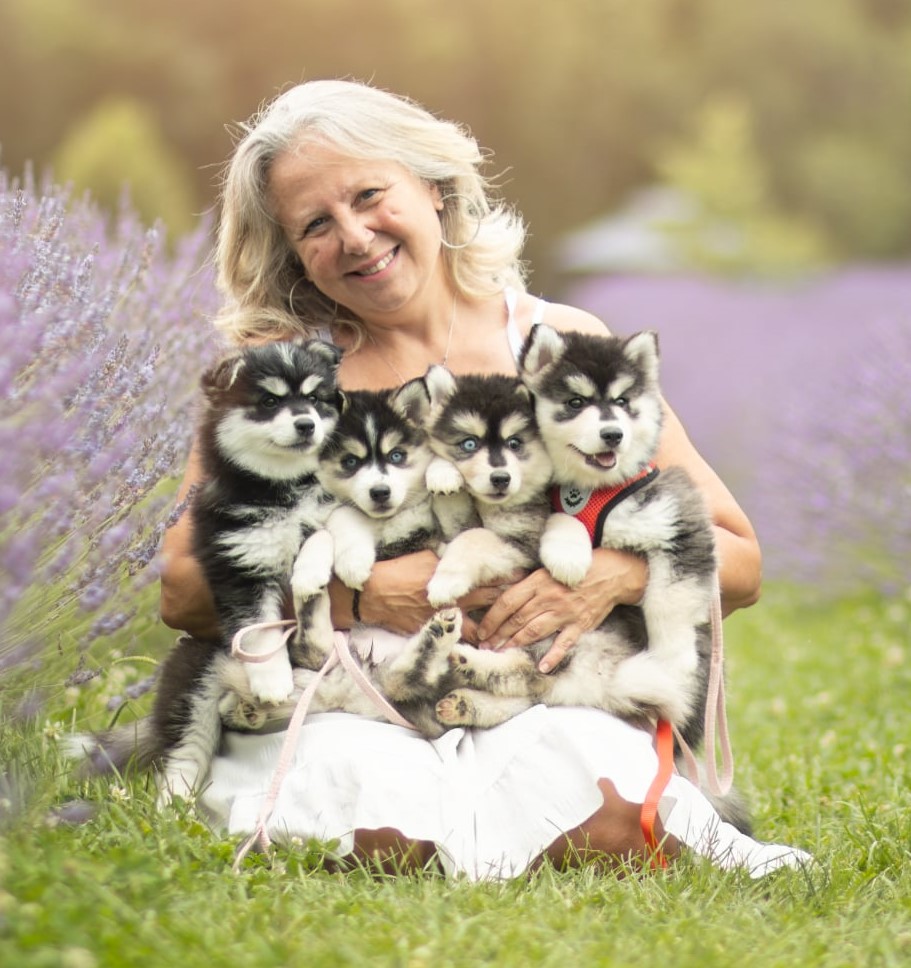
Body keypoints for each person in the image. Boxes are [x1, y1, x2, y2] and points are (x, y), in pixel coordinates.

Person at [159, 79, 809, 879]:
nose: (355, 237)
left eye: (370, 196)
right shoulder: (283, 380)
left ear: (433, 188)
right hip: (352, 694)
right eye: (316, 225)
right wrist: (362, 597)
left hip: (534, 696)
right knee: (380, 834)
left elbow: (737, 559)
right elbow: (184, 591)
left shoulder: (560, 345)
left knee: (608, 820)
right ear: (292, 251)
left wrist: (604, 579)